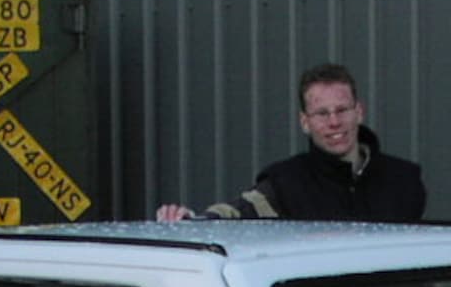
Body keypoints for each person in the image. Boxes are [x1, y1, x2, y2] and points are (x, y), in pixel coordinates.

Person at [156, 63, 426, 223]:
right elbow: (234, 215)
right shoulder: (283, 184)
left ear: (359, 111)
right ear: (305, 122)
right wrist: (190, 221)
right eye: (322, 113)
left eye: (342, 110)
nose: (334, 122)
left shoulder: (404, 181)